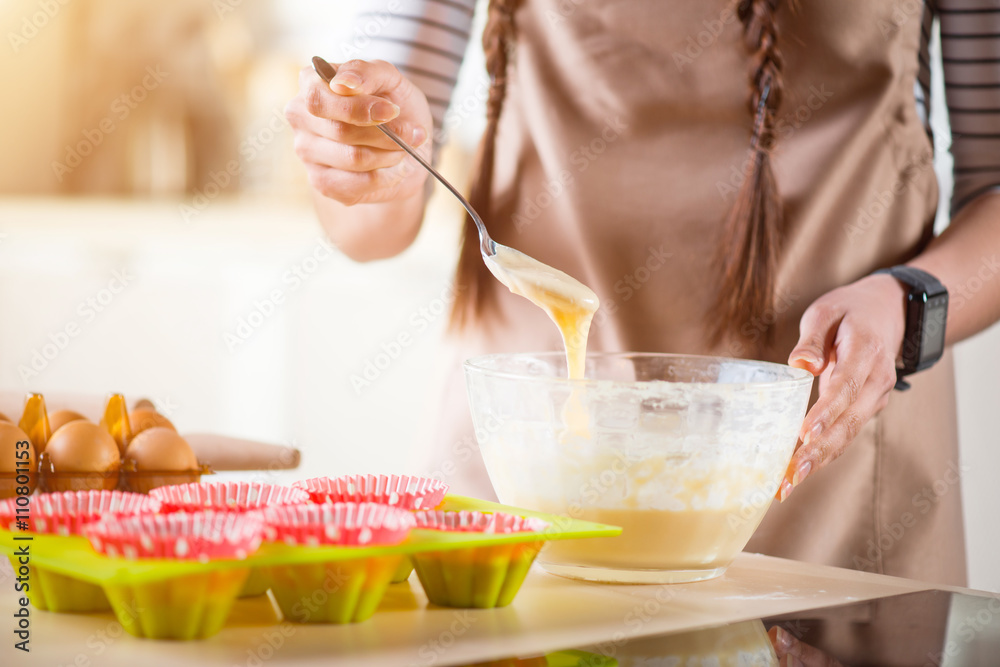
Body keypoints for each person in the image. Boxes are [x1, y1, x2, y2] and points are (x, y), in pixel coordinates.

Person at [285, 0, 1000, 587]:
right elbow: (370, 223)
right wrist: (367, 155)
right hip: (525, 456)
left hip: (824, 462)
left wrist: (908, 304)